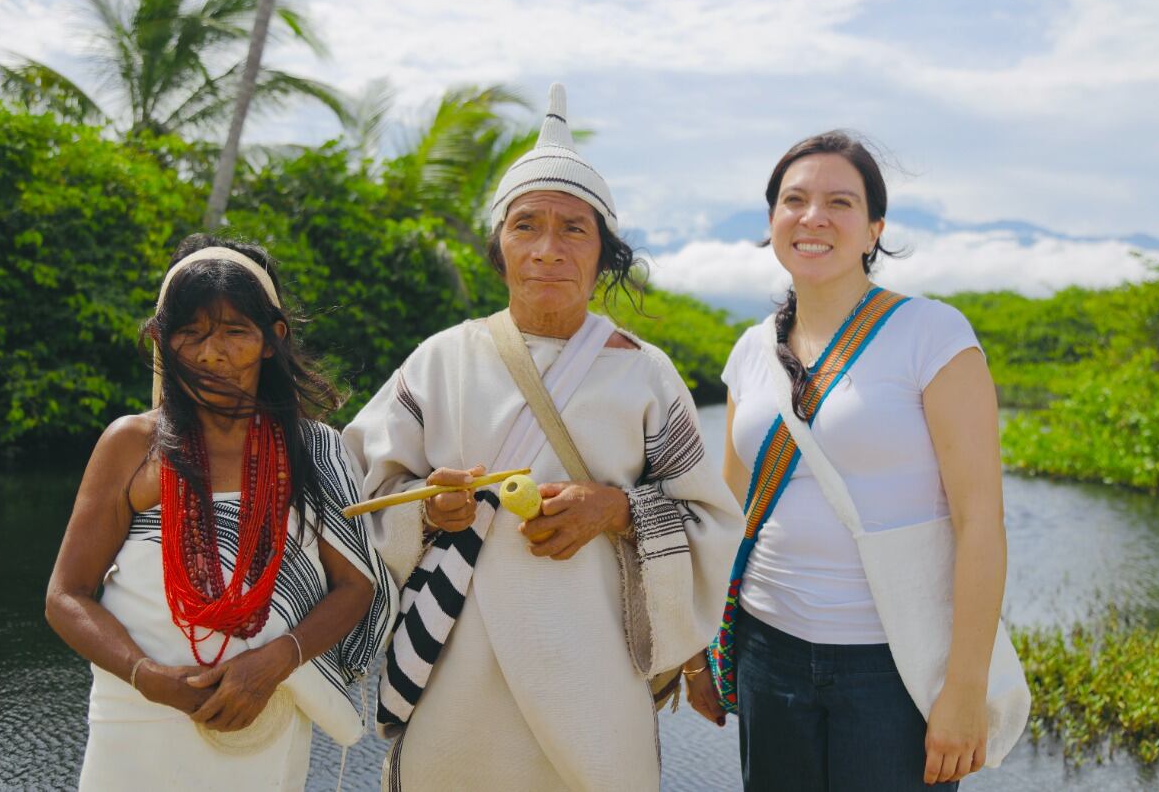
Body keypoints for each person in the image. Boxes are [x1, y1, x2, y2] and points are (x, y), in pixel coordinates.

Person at [344, 83, 744, 791]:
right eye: (526, 225)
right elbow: (356, 493)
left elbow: (713, 522)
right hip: (455, 680)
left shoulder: (646, 375)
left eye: (574, 229)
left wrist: (616, 510)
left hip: (598, 685)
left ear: (604, 253)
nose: (548, 249)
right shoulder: (440, 361)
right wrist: (427, 508)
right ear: (498, 246)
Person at [683, 132, 1007, 791]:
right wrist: (700, 648)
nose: (814, 217)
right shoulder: (750, 350)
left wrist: (966, 687)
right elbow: (727, 511)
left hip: (894, 666)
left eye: (840, 201)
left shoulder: (932, 335)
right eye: (794, 200)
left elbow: (981, 520)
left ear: (873, 230)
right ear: (772, 220)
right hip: (765, 649)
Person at [45, 234, 397, 790]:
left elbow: (355, 587)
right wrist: (148, 677)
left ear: (271, 339)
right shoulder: (132, 445)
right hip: (137, 717)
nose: (213, 353)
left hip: (263, 712)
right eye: (191, 333)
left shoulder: (313, 450)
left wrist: (275, 662)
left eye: (235, 331)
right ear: (164, 341)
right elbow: (66, 597)